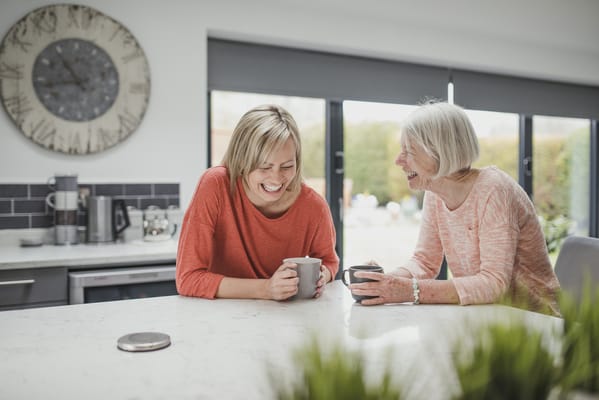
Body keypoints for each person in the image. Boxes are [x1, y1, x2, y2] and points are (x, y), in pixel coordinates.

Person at [349, 102, 560, 315]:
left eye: (409, 151)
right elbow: (424, 262)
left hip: (536, 320)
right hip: (487, 316)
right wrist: (384, 283)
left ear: (439, 151)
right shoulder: (434, 192)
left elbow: (493, 283)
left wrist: (408, 291)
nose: (398, 160)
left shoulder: (494, 190)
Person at [176, 104, 339, 300]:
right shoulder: (215, 186)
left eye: (287, 166)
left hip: (284, 319)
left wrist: (321, 276)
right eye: (264, 167)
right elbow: (188, 279)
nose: (276, 179)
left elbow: (329, 262)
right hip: (220, 316)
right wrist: (265, 289)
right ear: (241, 160)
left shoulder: (314, 207)